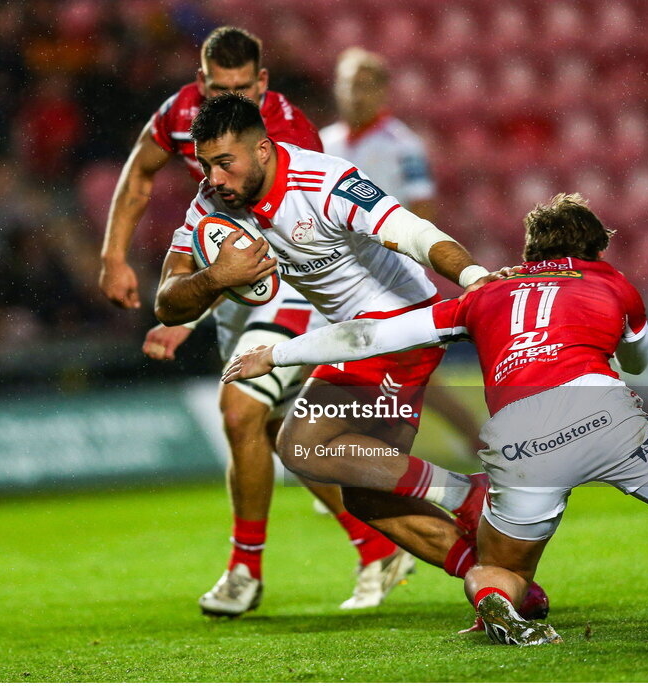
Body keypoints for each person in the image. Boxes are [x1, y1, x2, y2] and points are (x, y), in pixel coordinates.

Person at [224, 193, 648, 645]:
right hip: (605, 416)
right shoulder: (612, 283)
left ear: (528, 250)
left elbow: (372, 335)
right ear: (593, 248)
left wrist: (277, 353)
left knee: (499, 569)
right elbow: (637, 358)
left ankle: (497, 603)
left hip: (523, 438)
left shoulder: (485, 292)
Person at [153, 92, 550, 620]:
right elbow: (168, 300)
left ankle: (467, 494)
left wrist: (474, 278)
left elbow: (411, 232)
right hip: (355, 337)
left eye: (226, 163)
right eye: (206, 165)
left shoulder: (325, 181)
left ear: (265, 150)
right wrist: (214, 278)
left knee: (302, 444)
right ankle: (497, 579)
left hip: (400, 328)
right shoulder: (211, 205)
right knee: (367, 500)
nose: (215, 177)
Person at [99, 26, 409, 616]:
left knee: (240, 408)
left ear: (261, 82)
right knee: (270, 433)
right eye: (218, 86)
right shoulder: (179, 113)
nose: (227, 96)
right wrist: (114, 256)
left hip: (286, 278)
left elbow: (276, 248)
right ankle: (380, 544)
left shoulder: (286, 134)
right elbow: (140, 174)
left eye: (241, 86)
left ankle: (245, 572)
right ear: (201, 82)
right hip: (236, 280)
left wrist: (189, 316)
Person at [320, 47, 484, 459]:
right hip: (337, 274)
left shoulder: (402, 146)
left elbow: (422, 212)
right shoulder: (323, 143)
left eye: (364, 85)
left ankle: (372, 458)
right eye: (347, 84)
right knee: (391, 369)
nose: (354, 94)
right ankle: (474, 442)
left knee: (398, 367)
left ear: (382, 91)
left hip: (389, 274)